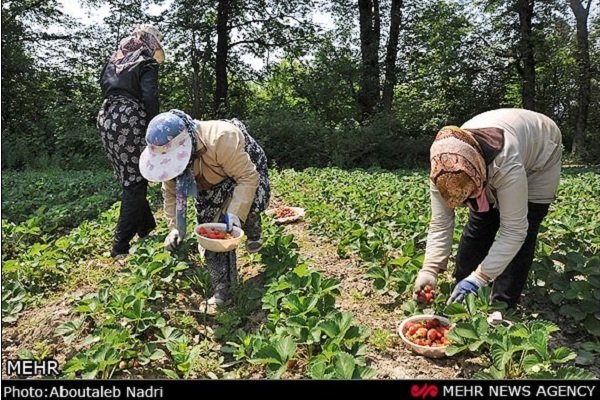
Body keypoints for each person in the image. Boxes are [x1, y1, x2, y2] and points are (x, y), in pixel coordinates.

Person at [413, 108, 562, 309]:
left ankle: (502, 304)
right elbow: (441, 223)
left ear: (479, 175)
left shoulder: (506, 164)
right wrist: (429, 270)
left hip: (541, 149)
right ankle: (462, 289)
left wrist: (480, 277)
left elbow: (514, 230)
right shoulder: (442, 170)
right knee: (481, 220)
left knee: (526, 226)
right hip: (497, 148)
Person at [139, 110, 270, 305]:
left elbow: (247, 178)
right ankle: (223, 287)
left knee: (246, 208)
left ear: (189, 142)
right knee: (211, 231)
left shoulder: (221, 138)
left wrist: (234, 214)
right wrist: (175, 227)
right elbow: (170, 193)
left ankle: (252, 227)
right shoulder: (171, 164)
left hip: (243, 171)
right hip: (208, 180)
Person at [97, 24, 165, 258]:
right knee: (136, 183)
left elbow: (105, 88)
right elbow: (150, 97)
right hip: (129, 120)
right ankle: (120, 247)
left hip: (107, 118)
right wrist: (155, 130)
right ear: (151, 42)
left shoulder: (114, 60)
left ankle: (145, 227)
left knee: (130, 177)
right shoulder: (146, 61)